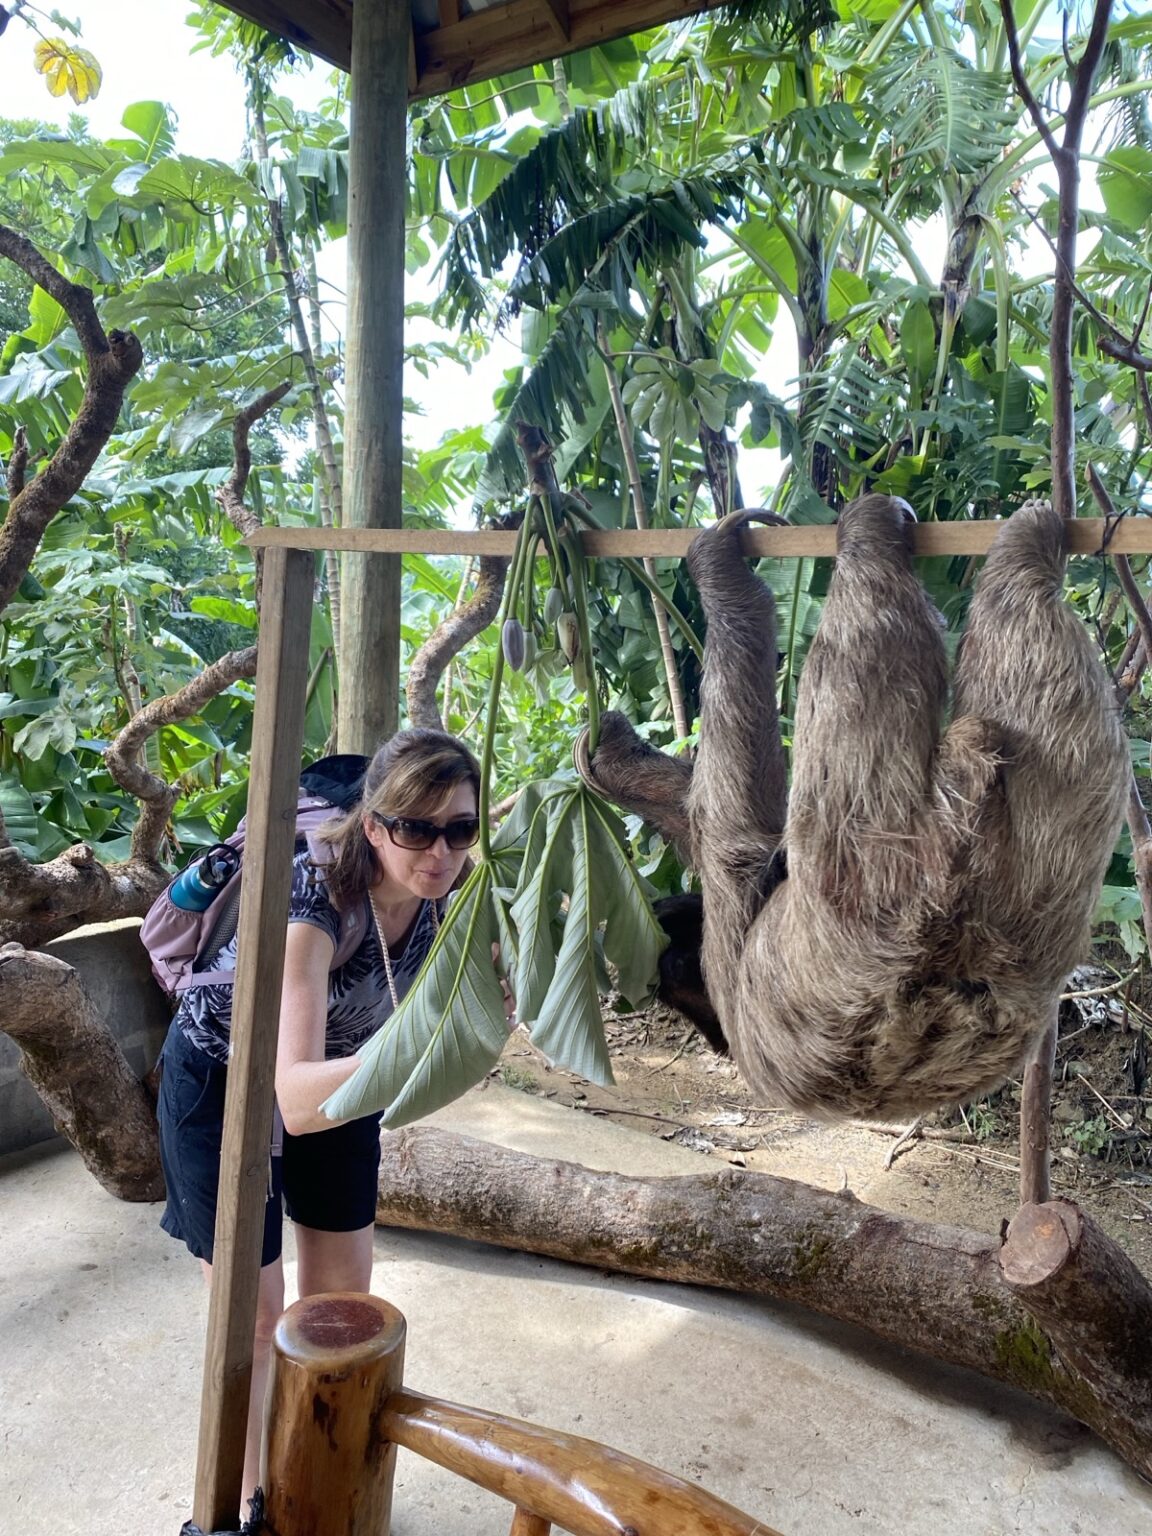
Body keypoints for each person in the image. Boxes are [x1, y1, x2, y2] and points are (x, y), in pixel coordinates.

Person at [156, 728, 513, 1520]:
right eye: (416, 828)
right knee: (253, 1322)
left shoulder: (446, 896)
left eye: (460, 829)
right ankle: (242, 1505)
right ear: (375, 822)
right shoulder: (311, 905)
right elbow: (291, 1096)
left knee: (342, 1311)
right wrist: (428, 1044)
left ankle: (314, 1480)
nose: (440, 852)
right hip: (227, 1084)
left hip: (347, 1078)